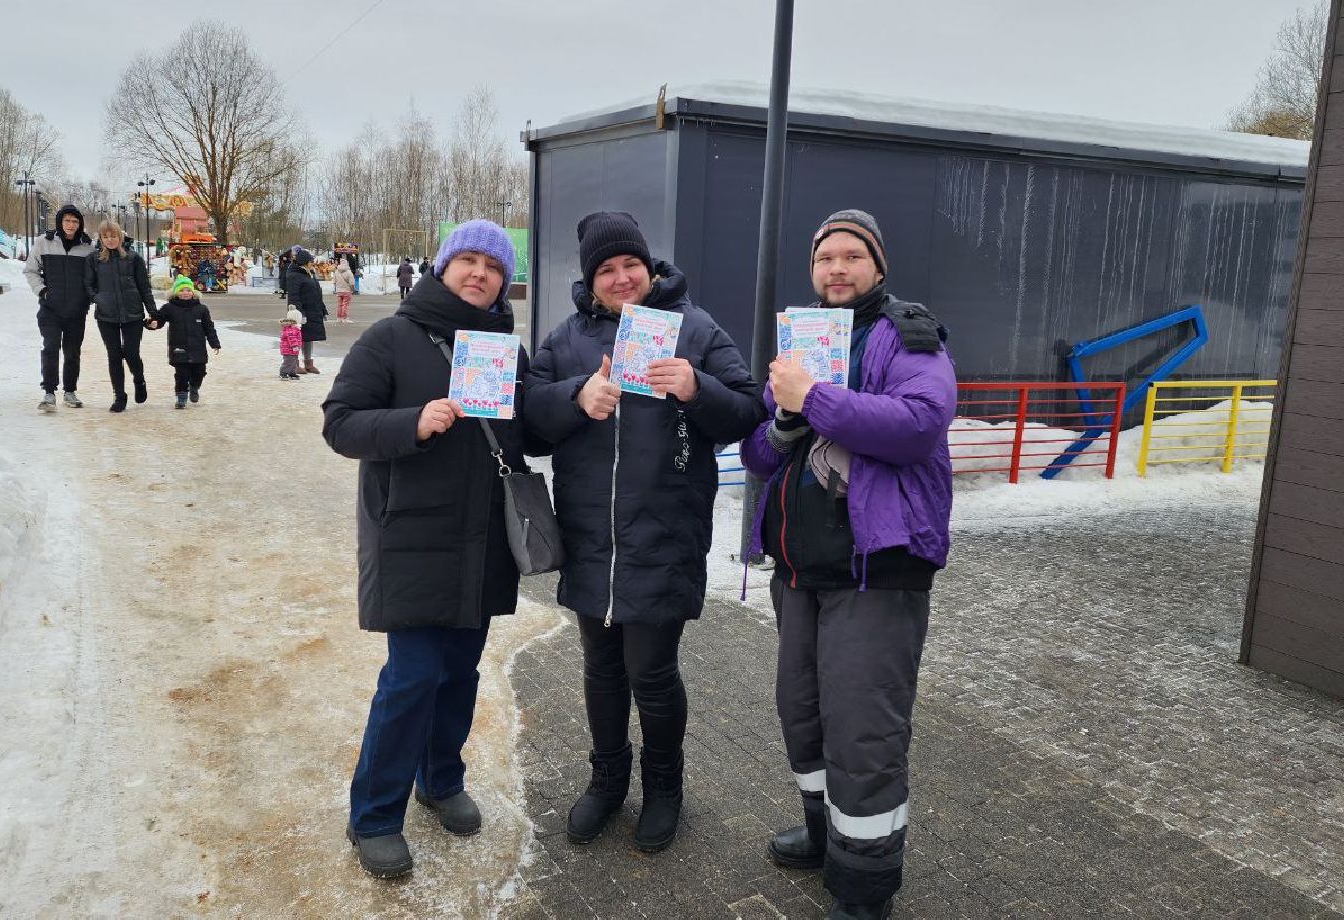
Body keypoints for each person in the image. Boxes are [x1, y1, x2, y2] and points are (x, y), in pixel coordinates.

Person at [524, 211, 765, 853]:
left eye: (630, 264)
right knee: (601, 669)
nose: (622, 277)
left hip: (663, 532)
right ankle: (607, 783)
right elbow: (529, 418)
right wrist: (576, 398)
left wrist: (696, 386)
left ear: (649, 266)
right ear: (591, 280)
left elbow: (745, 409)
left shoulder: (694, 326)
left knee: (651, 671)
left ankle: (664, 789)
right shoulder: (568, 339)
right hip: (589, 534)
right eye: (606, 269)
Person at [740, 210, 956, 920]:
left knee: (864, 731)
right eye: (824, 257)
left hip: (877, 571)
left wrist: (817, 401)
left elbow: (920, 425)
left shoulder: (908, 335)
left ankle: (864, 888)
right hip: (801, 574)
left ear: (878, 266)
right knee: (802, 717)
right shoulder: (805, 341)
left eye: (851, 255)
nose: (836, 268)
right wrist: (782, 420)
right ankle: (823, 835)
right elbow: (758, 453)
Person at [321, 219, 535, 881]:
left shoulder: (503, 347)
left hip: (482, 540)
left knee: (460, 674)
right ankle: (375, 815)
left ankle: (440, 781)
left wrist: (578, 402)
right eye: (467, 260)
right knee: (411, 677)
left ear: (504, 280)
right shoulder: (392, 337)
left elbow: (527, 428)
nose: (479, 273)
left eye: (492, 266)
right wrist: (412, 422)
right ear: (443, 267)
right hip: (413, 535)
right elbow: (341, 422)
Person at [24, 203, 95, 411]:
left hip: (76, 310)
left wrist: (87, 299)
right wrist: (43, 291)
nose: (71, 225)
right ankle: (48, 393)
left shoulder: (88, 248)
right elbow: (30, 271)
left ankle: (70, 391)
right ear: (60, 222)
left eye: (74, 221)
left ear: (79, 223)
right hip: (50, 309)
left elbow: (94, 278)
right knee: (51, 347)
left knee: (72, 352)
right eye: (67, 220)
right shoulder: (43, 243)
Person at [85, 219, 159, 413]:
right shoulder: (94, 259)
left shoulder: (133, 259)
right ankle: (119, 396)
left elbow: (144, 287)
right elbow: (88, 285)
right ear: (100, 238)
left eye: (113, 236)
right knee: (114, 355)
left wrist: (153, 312)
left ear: (120, 236)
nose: (110, 240)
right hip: (106, 316)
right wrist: (98, 298)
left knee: (132, 354)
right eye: (105, 236)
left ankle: (139, 379)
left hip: (133, 313)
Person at [147, 275, 221, 408]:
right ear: (176, 292)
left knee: (199, 371)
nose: (185, 293)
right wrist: (152, 324)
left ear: (193, 292)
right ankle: (181, 397)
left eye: (188, 290)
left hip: (198, 349)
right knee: (181, 374)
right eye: (181, 290)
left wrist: (214, 343)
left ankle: (194, 386)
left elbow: (209, 328)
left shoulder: (202, 309)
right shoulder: (169, 308)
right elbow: (158, 320)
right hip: (179, 347)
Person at [285, 248, 328, 374]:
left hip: (312, 310)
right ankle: (295, 364)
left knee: (309, 337)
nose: (312, 263)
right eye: (310, 261)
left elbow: (317, 293)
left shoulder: (309, 273)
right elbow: (294, 297)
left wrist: (323, 309)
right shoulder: (293, 275)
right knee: (296, 338)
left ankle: (308, 363)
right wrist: (299, 314)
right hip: (299, 312)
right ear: (304, 262)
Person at [279, 308, 304, 379]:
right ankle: (283, 372)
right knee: (288, 361)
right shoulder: (291, 329)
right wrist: (295, 346)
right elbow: (292, 338)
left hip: (293, 349)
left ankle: (292, 373)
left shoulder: (295, 328)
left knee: (294, 361)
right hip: (289, 349)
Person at [333, 257, 355, 323]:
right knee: (345, 305)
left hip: (339, 291)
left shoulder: (336, 272)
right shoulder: (349, 272)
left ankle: (338, 318)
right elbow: (352, 283)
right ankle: (344, 318)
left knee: (339, 304)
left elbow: (334, 282)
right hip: (347, 291)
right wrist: (352, 290)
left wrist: (337, 288)